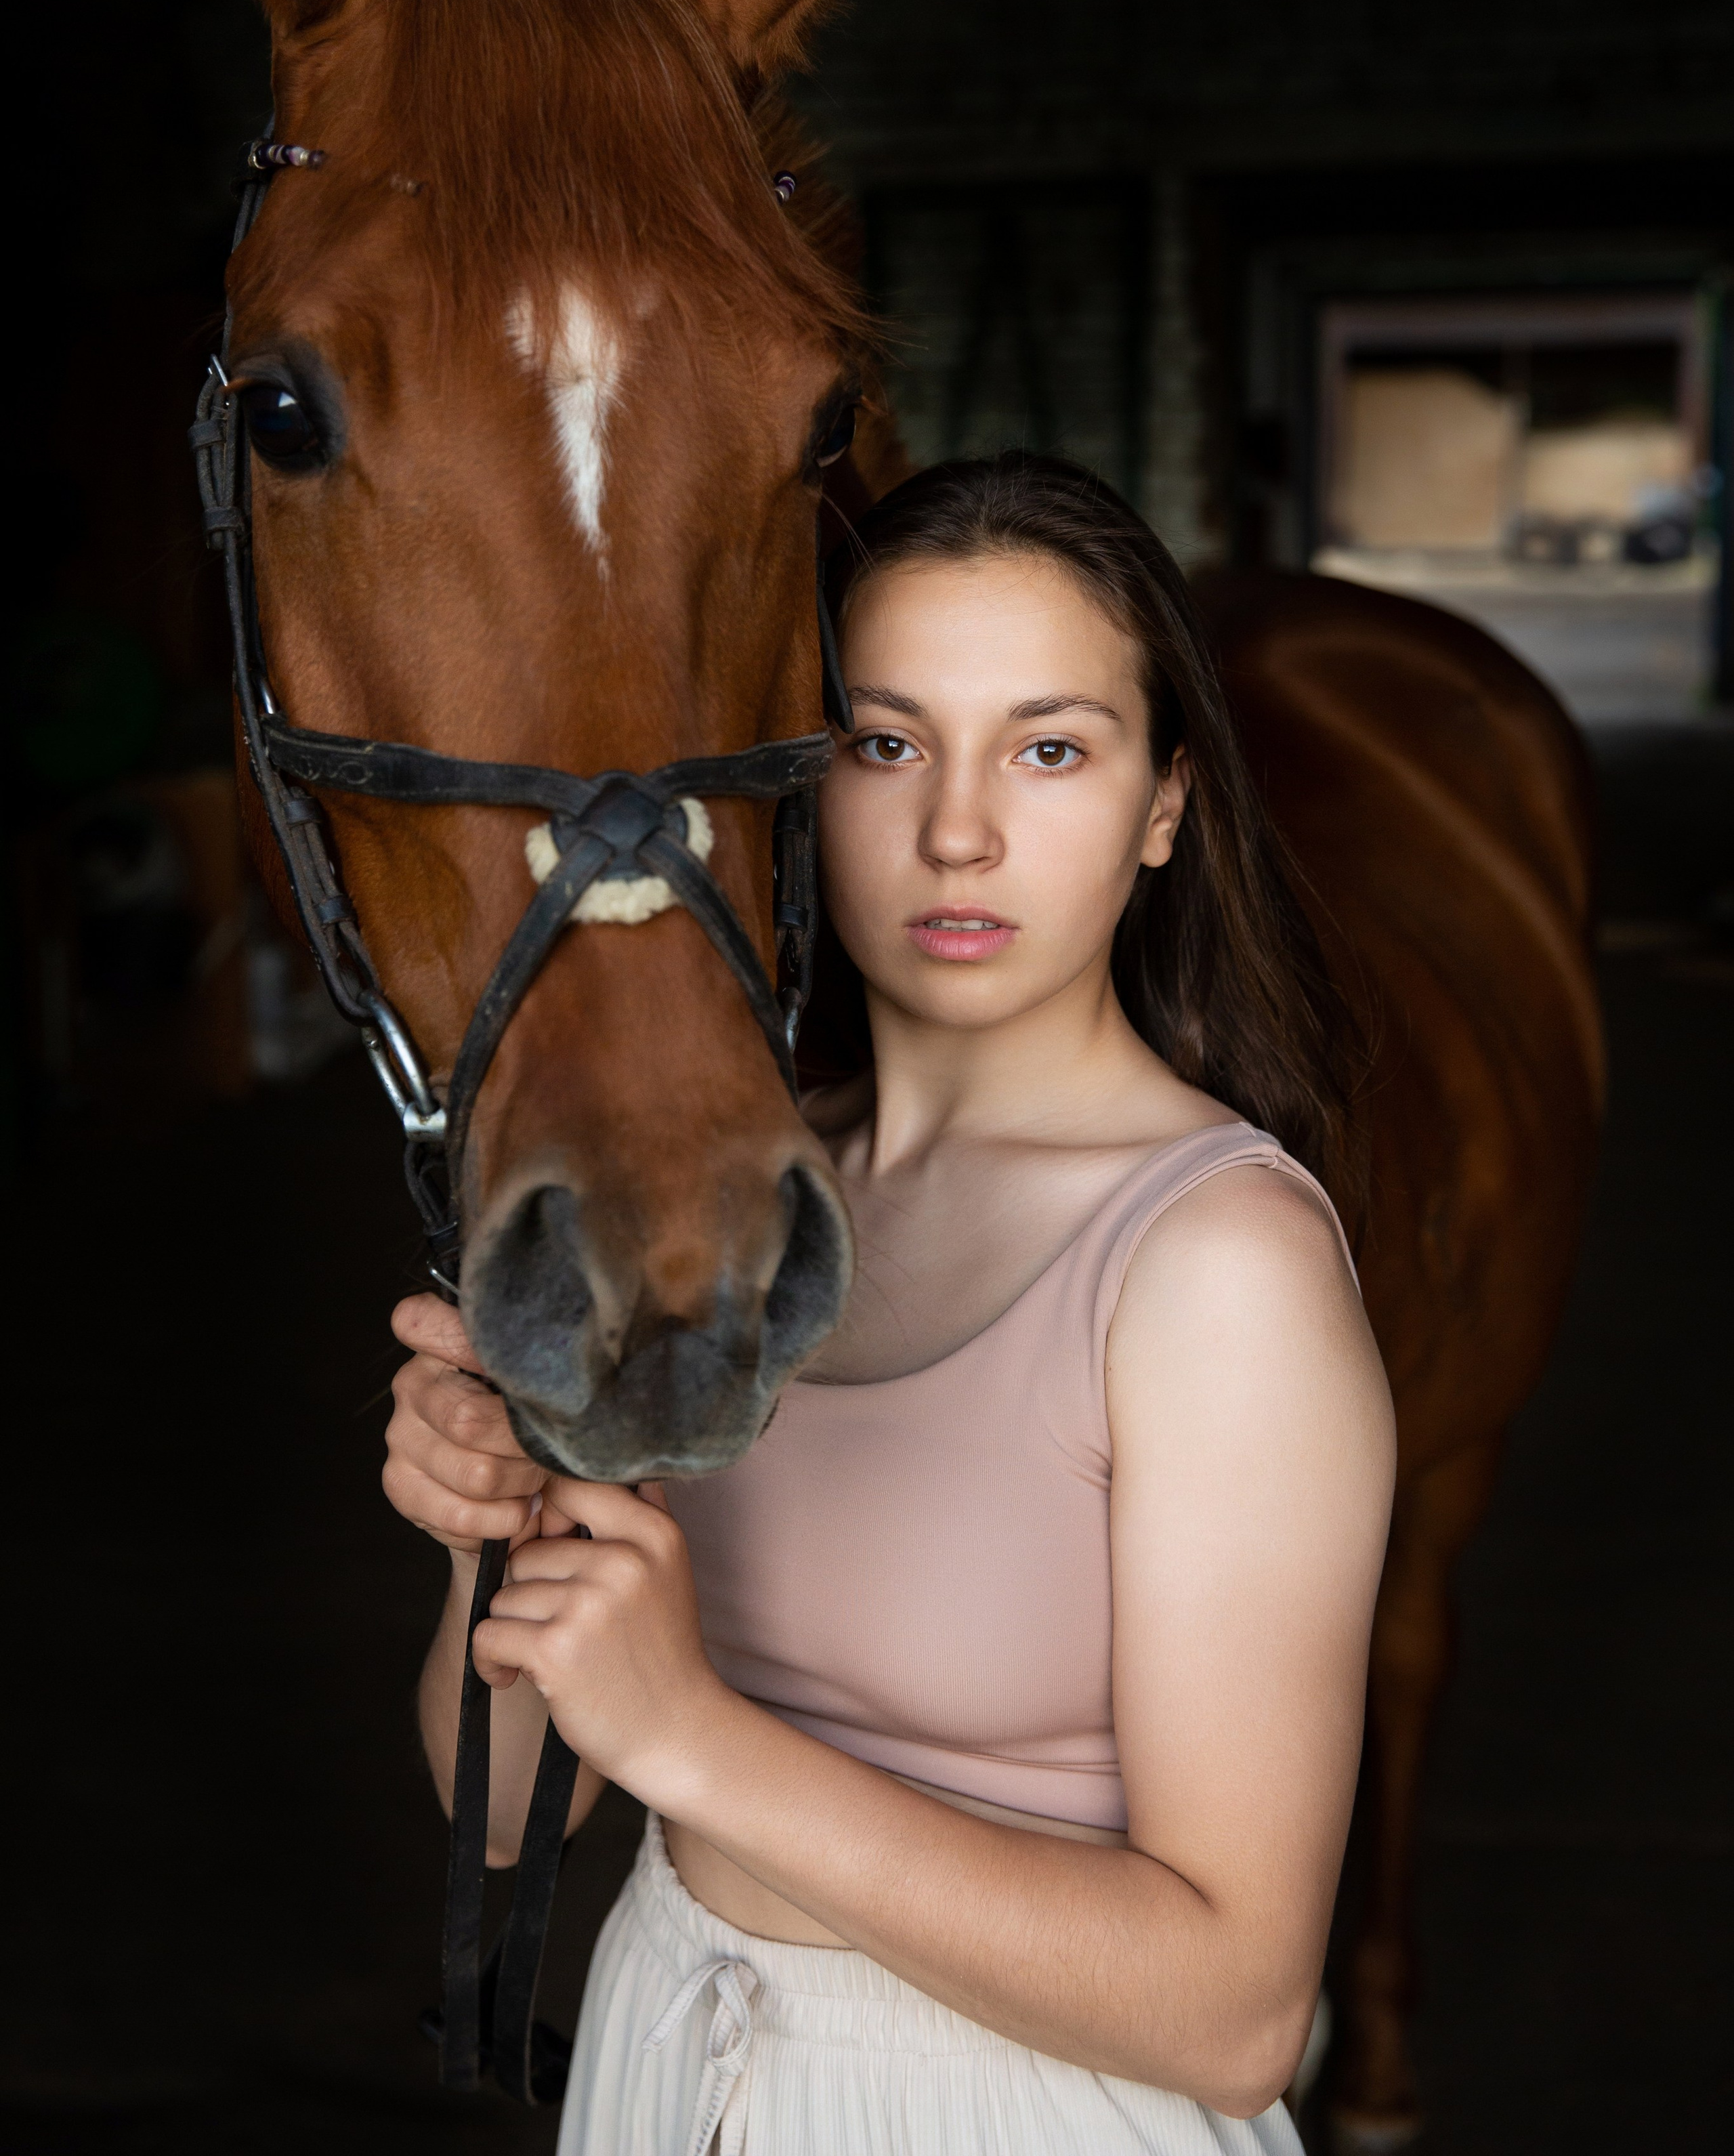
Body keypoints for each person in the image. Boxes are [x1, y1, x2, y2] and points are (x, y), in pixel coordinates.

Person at [385, 452, 1395, 2153]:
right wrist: (485, 1537)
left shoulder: (1214, 1271)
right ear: (793, 781)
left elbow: (1234, 2019)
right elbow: (493, 1814)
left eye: (1051, 748)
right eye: (883, 742)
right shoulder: (718, 1203)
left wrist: (694, 1743)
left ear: (1164, 808)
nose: (957, 830)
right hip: (668, 2057)